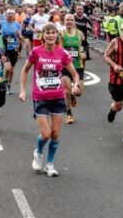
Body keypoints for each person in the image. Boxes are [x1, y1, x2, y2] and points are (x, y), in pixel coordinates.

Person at [19, 23, 79, 177]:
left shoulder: (63, 53)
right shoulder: (36, 52)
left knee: (55, 134)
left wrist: (75, 85)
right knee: (45, 134)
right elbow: (25, 70)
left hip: (58, 97)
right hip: (41, 97)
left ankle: (50, 164)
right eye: (48, 33)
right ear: (43, 36)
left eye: (53, 33)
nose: (51, 35)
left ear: (56, 35)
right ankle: (38, 153)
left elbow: (75, 73)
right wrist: (23, 90)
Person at [60, 17, 85, 123]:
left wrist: (83, 53)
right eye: (67, 20)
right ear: (64, 22)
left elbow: (82, 45)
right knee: (67, 91)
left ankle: (73, 96)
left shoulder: (79, 34)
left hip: (78, 66)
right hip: (65, 67)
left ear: (74, 22)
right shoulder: (61, 34)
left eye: (71, 20)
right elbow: (60, 50)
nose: (69, 21)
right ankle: (69, 113)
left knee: (79, 92)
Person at [0, 8, 23, 92]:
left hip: (13, 49)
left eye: (12, 14)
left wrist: (19, 35)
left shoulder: (17, 25)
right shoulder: (1, 23)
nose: (10, 15)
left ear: (14, 15)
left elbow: (21, 38)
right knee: (7, 68)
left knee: (12, 70)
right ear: (6, 15)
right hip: (4, 49)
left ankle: (8, 84)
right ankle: (5, 80)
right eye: (9, 13)